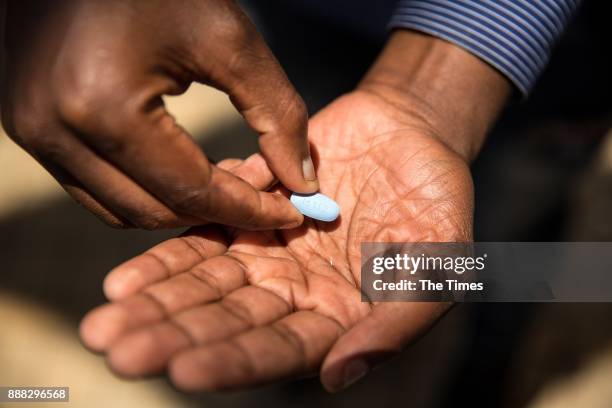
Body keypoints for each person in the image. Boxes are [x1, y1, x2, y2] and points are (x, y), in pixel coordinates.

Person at [1, 0, 580, 392]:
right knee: (380, 255)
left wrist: (433, 88)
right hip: (309, 18)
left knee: (512, 237)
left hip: (549, 56)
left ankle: (487, 367)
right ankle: (312, 375)